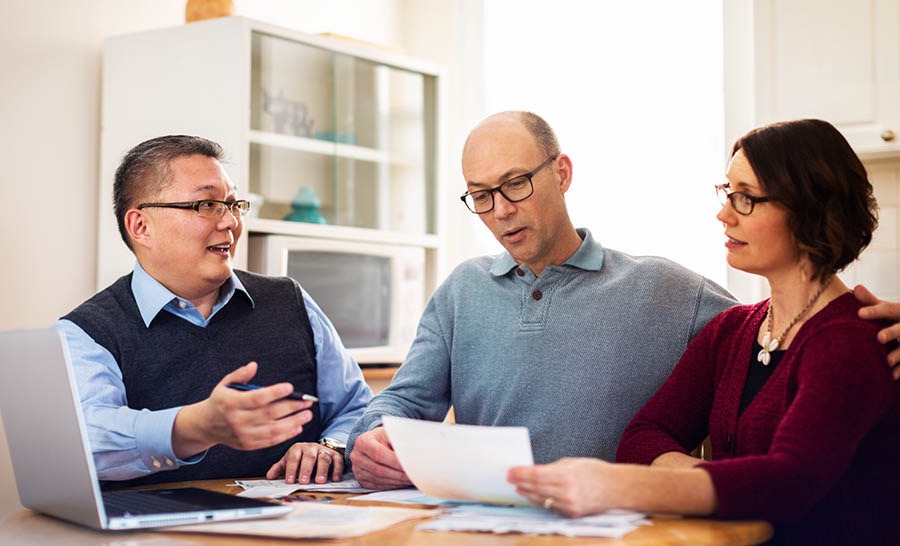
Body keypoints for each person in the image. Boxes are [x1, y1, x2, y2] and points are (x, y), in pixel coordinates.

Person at [508, 119, 900, 545]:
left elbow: (788, 481)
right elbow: (642, 439)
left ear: (809, 211)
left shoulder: (853, 339)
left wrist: (622, 484)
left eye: (746, 198)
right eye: (727, 192)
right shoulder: (731, 331)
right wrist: (722, 480)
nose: (724, 213)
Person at [346, 111, 738, 489]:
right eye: (481, 195)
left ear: (561, 173)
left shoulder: (666, 291)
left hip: (612, 531)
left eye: (515, 183)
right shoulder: (462, 289)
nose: (501, 210)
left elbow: (775, 342)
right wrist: (375, 433)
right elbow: (404, 400)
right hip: (484, 526)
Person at [55, 135, 372, 487]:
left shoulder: (290, 300)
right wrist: (195, 427)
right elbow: (83, 443)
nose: (230, 223)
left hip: (296, 526)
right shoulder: (87, 331)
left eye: (233, 205)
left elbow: (357, 408)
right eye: (206, 205)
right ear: (141, 227)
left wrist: (331, 446)